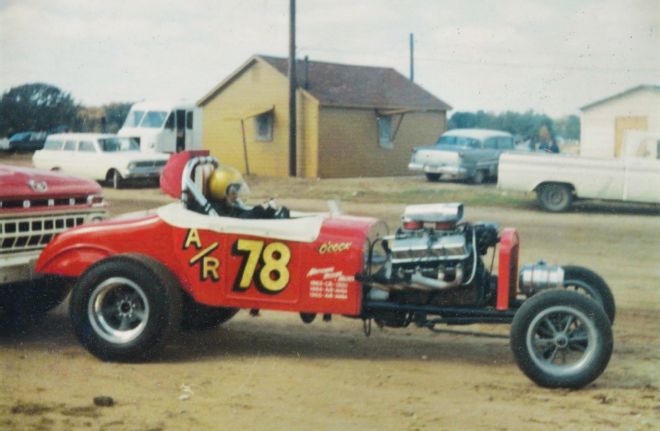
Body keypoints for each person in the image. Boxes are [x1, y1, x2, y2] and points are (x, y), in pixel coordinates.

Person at [206, 165, 289, 219]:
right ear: (221, 192)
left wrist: (267, 211)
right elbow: (238, 221)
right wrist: (259, 210)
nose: (236, 195)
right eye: (233, 192)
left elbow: (243, 212)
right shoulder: (216, 211)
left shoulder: (230, 207)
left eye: (237, 190)